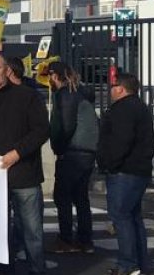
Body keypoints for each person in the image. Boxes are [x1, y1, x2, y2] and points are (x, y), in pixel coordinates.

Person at [0, 53, 50, 275]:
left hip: (24, 175)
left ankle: (37, 270)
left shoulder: (27, 96)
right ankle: (5, 270)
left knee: (32, 232)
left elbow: (42, 130)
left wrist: (17, 152)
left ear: (7, 70)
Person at [98, 72, 154, 275]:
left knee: (121, 217)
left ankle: (128, 264)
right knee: (133, 217)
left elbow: (121, 141)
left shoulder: (123, 109)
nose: (110, 91)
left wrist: (109, 163)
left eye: (112, 87)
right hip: (137, 169)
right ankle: (140, 263)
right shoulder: (138, 106)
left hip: (125, 171)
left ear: (120, 88)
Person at [47, 61, 99, 255]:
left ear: (56, 75)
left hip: (73, 152)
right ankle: (85, 240)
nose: (49, 79)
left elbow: (66, 126)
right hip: (86, 152)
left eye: (50, 75)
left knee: (63, 197)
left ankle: (66, 239)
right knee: (81, 197)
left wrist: (58, 146)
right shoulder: (79, 93)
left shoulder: (66, 95)